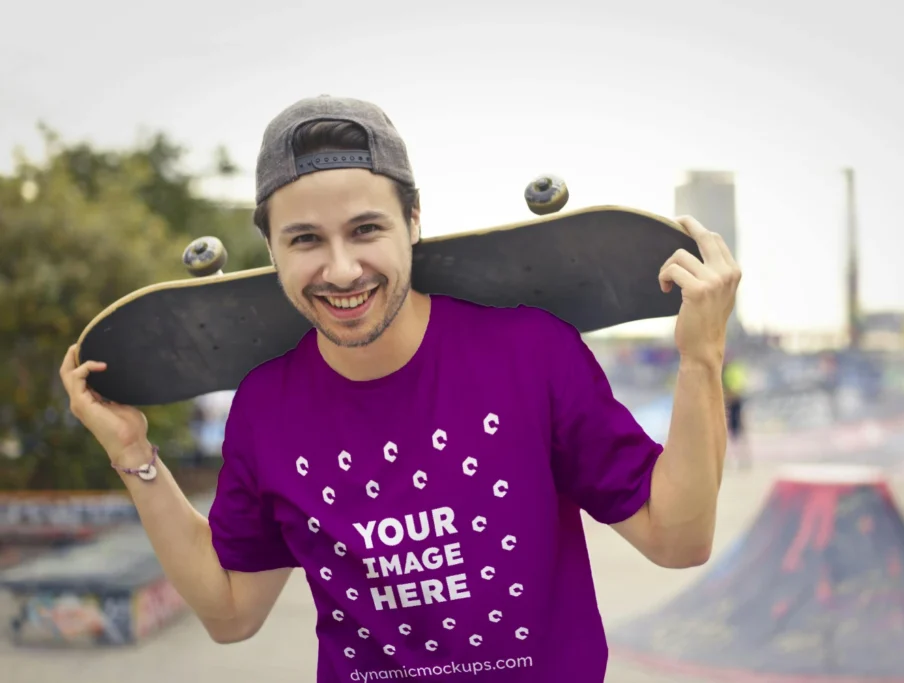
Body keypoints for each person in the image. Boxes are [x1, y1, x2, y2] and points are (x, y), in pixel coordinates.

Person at [60, 95, 742, 682]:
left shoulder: (530, 354)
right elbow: (231, 611)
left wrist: (701, 358)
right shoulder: (266, 409)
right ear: (271, 250)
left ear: (413, 221)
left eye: (366, 229)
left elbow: (677, 539)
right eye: (305, 240)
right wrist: (135, 456)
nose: (341, 268)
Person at [722, 353, 751, 469]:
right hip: (728, 403)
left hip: (733, 403)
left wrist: (730, 394)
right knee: (732, 432)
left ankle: (741, 459)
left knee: (737, 432)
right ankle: (735, 459)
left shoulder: (732, 370)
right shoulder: (725, 370)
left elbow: (737, 388)